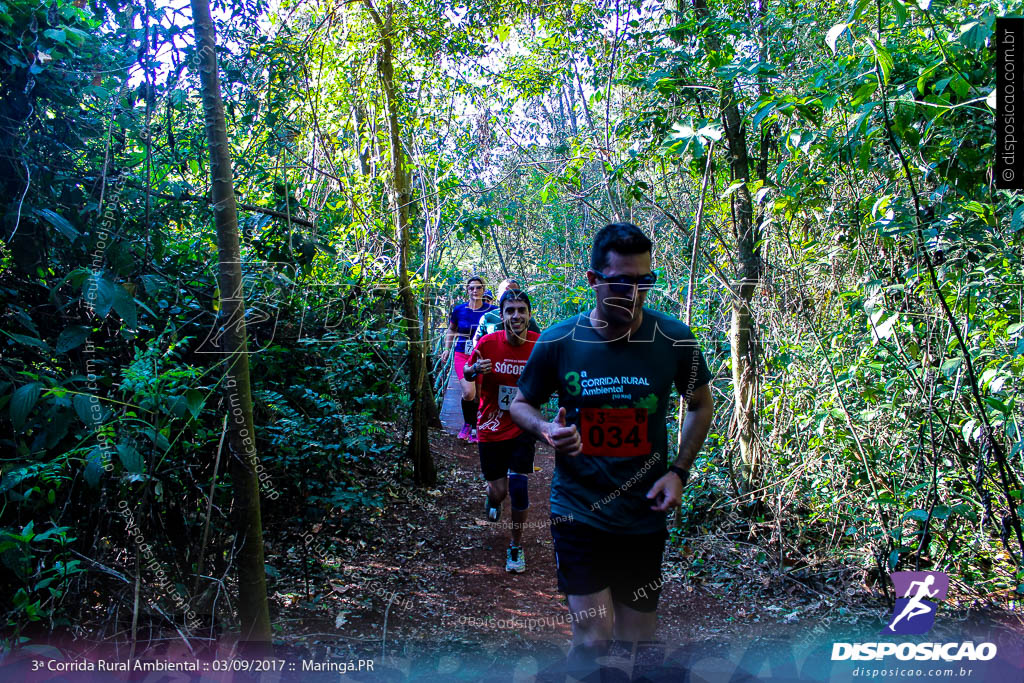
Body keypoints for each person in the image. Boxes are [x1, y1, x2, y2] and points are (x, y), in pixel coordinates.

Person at [510, 222, 714, 665]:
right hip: (578, 507)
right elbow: (521, 404)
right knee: (592, 637)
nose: (635, 293)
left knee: (637, 639)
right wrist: (546, 429)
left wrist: (679, 471)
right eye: (623, 282)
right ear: (594, 281)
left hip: (644, 512)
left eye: (645, 282)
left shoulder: (675, 339)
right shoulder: (560, 340)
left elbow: (699, 402)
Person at [463, 288, 540, 573]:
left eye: (521, 310)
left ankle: (516, 546)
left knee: (519, 486)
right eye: (510, 310)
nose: (516, 316)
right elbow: (467, 373)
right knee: (499, 491)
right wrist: (475, 370)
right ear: (502, 315)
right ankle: (492, 498)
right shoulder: (488, 342)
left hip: (524, 424)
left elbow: (554, 376)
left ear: (529, 315)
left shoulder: (539, 344)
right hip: (491, 424)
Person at [445, 275, 497, 442]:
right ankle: (468, 424)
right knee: (469, 393)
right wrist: (447, 349)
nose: (475, 291)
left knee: (480, 394)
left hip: (482, 356)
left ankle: (476, 426)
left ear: (483, 290)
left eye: (478, 288)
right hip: (462, 354)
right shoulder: (459, 310)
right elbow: (451, 330)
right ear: (467, 290)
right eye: (472, 288)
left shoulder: (492, 311)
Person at [472, 278, 542, 348]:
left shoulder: (528, 320)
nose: (511, 296)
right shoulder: (488, 318)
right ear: (499, 296)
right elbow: (477, 340)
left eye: (515, 292)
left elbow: (538, 343)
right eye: (506, 293)